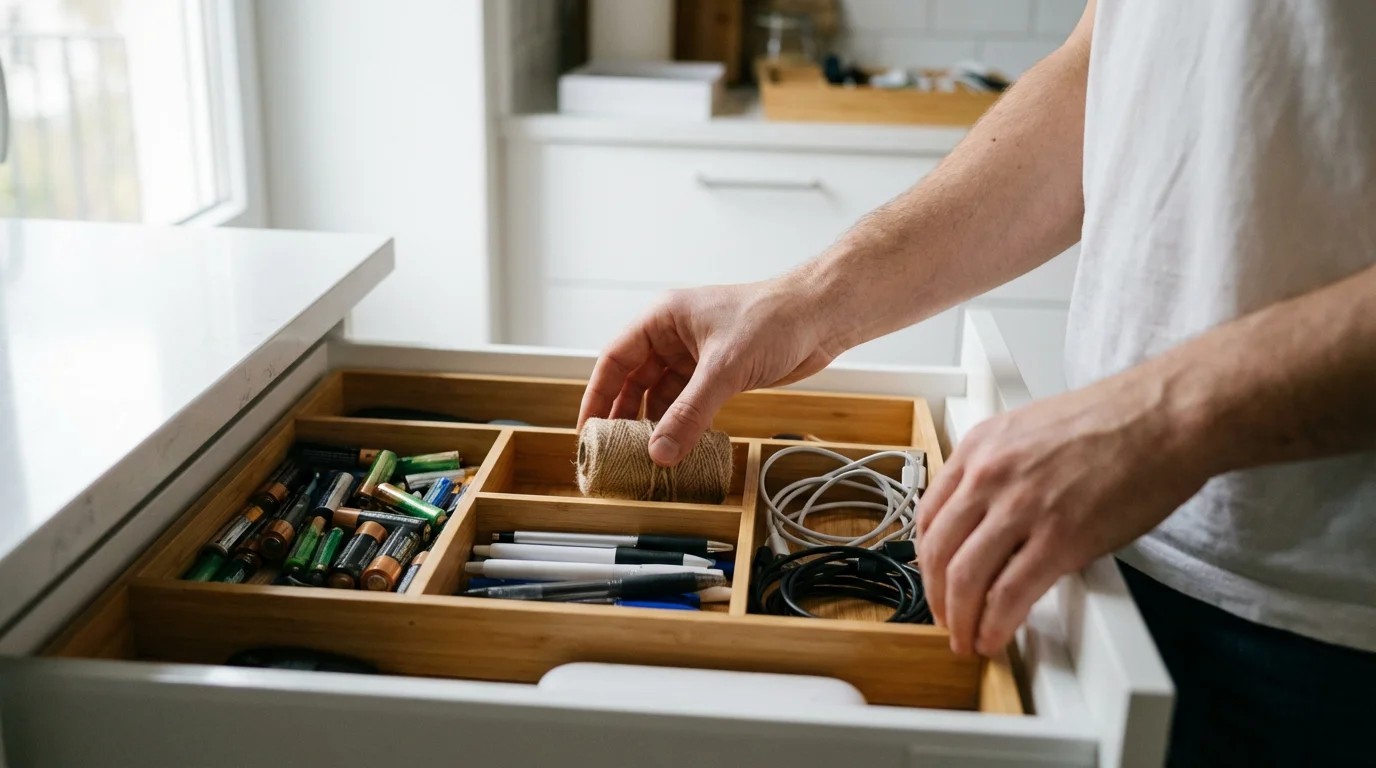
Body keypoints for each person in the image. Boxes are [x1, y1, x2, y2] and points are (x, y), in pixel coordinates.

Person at [576, 0, 1376, 763]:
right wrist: (809, 301)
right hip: (1099, 555)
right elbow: (1102, 68)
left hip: (1324, 631)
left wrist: (1158, 416)